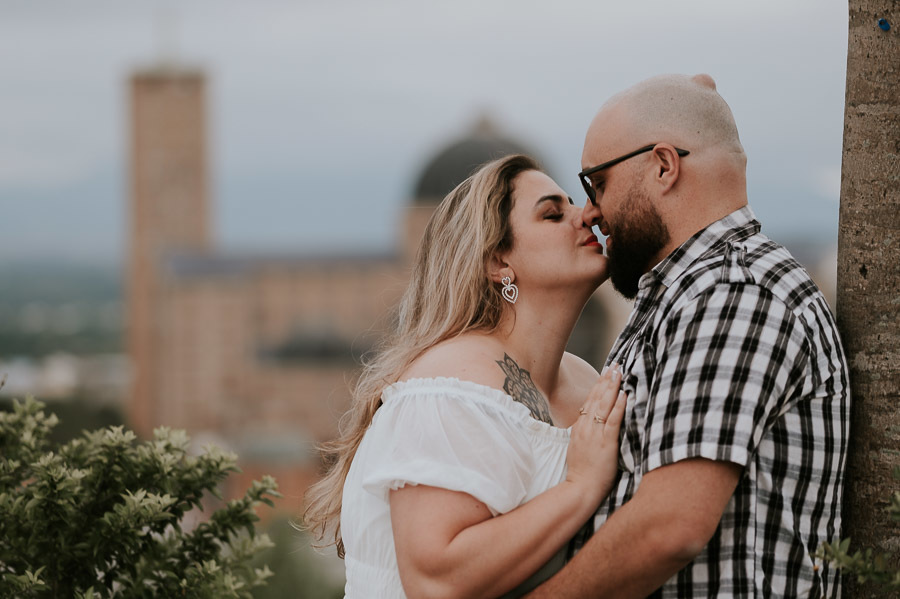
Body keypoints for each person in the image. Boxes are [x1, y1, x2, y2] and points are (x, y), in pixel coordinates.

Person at [527, 74, 850, 598]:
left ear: (662, 166)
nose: (589, 211)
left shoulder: (733, 294)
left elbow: (669, 526)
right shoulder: (685, 293)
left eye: (596, 183)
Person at [304, 154, 627, 598]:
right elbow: (436, 581)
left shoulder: (585, 379)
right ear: (498, 262)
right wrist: (580, 486)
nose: (588, 214)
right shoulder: (451, 383)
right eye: (553, 213)